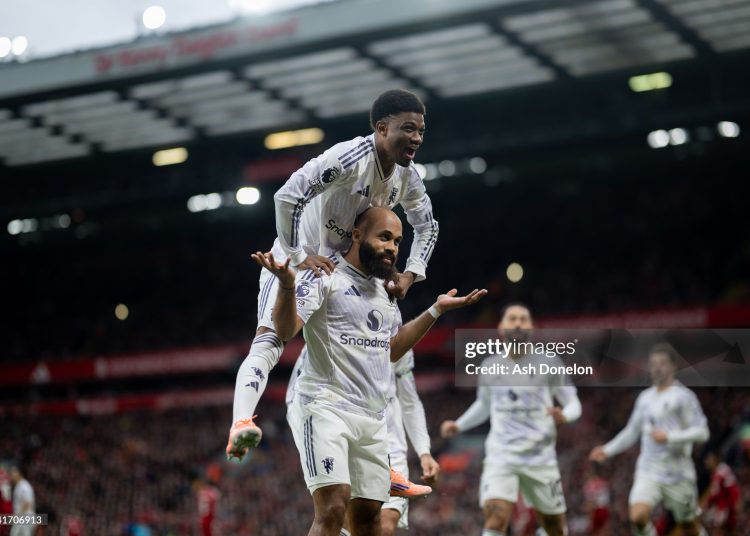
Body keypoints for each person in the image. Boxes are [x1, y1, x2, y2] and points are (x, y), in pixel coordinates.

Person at [227, 88, 439, 462]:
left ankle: (384, 460)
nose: (417, 138)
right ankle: (242, 421)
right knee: (273, 338)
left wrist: (412, 273)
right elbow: (286, 197)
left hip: (350, 267)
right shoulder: (347, 158)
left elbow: (427, 226)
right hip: (308, 261)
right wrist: (297, 255)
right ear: (382, 128)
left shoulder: (407, 177)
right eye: (409, 129)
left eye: (421, 131)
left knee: (374, 351)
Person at [254, 207, 485, 536]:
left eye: (398, 241)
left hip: (372, 418)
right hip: (324, 406)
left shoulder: (385, 293)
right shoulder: (325, 276)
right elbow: (287, 328)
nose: (393, 247)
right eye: (385, 237)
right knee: (333, 506)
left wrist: (435, 310)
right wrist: (288, 286)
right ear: (357, 235)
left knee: (367, 520)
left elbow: (392, 349)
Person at [440, 303, 581, 536]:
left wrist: (565, 415)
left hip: (540, 458)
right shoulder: (489, 366)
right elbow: (484, 405)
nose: (517, 323)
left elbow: (574, 402)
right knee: (496, 518)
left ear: (532, 328)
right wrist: (459, 424)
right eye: (512, 319)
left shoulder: (549, 363)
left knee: (555, 527)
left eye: (523, 319)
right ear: (501, 328)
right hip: (501, 456)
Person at [589, 343, 710, 536]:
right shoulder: (645, 398)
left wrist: (670, 437)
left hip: (678, 472)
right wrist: (608, 449)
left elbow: (703, 433)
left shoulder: (684, 397)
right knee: (637, 517)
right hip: (649, 470)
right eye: (653, 364)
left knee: (689, 527)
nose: (657, 368)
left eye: (662, 363)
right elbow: (632, 431)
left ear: (673, 366)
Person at [701, 450, 741, 535]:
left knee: (710, 523)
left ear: (716, 460)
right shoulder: (723, 468)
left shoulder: (719, 473)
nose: (706, 461)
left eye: (709, 459)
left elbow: (713, 494)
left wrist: (702, 507)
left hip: (726, 505)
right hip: (730, 504)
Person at [9, 466, 34, 536]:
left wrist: (18, 515)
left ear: (19, 473)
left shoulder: (25, 486)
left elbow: (28, 503)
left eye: (14, 473)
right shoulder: (18, 485)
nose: (12, 475)